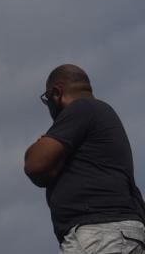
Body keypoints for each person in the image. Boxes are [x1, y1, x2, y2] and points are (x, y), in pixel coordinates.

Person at [24, 64, 145, 252]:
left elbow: (35, 164)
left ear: (56, 93)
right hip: (115, 231)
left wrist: (45, 148)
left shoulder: (81, 108)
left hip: (100, 231)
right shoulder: (99, 113)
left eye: (47, 99)